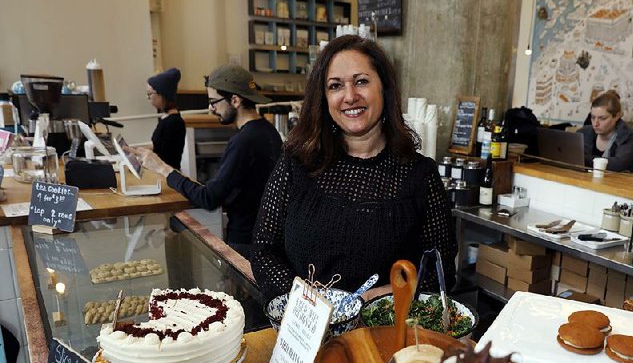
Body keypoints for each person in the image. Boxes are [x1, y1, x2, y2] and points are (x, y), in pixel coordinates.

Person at [250, 35, 456, 301]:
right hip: (305, 331)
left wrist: (383, 297)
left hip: (383, 333)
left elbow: (440, 271)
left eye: (361, 81)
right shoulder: (296, 163)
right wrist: (305, 303)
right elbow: (264, 250)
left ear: (384, 88)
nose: (350, 96)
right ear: (323, 98)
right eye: (335, 86)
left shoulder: (420, 175)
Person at [130, 65, 283, 259]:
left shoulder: (245, 141)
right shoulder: (268, 132)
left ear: (235, 100)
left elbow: (209, 198)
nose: (211, 109)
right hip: (265, 239)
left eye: (214, 102)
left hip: (247, 243)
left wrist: (162, 167)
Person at [578, 91, 633, 172]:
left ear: (617, 116)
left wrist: (582, 159)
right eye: (593, 117)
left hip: (619, 182)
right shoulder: (584, 133)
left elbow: (618, 164)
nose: (595, 123)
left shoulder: (630, 136)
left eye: (602, 118)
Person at [145, 67, 186, 170]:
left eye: (149, 94)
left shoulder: (173, 123)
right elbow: (158, 147)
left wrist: (139, 153)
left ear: (161, 95)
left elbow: (165, 157)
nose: (148, 98)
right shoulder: (167, 119)